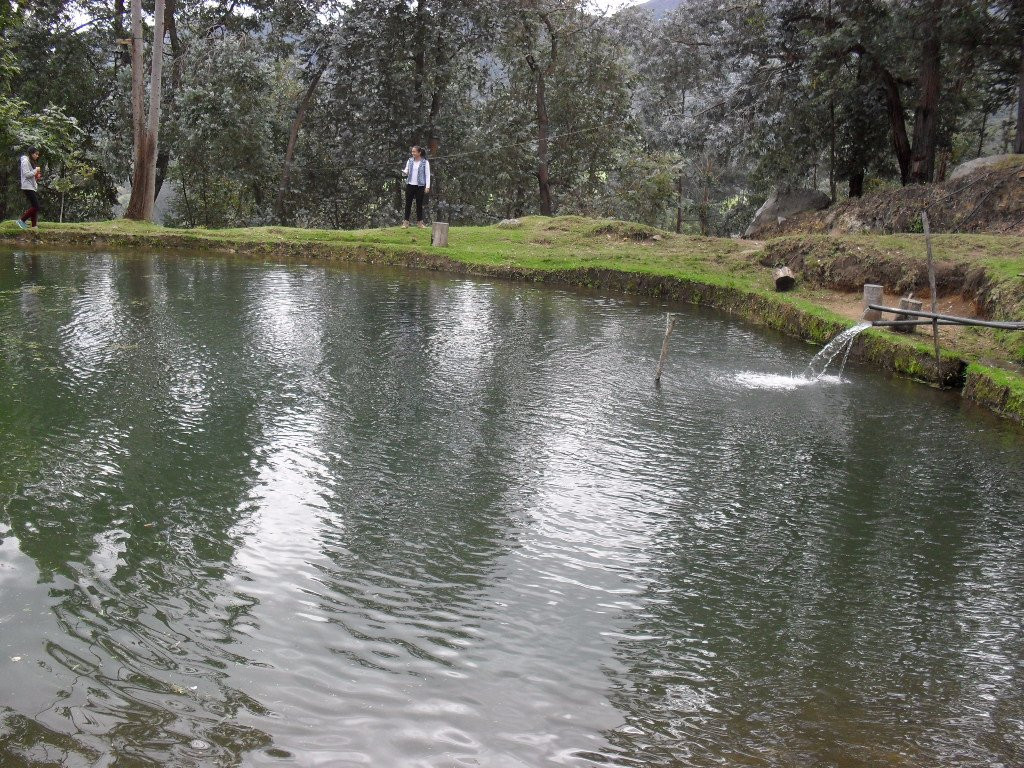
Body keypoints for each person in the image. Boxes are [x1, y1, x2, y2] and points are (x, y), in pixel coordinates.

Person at [400, 145, 430, 228]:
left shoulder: (425, 162)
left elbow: (427, 175)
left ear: (419, 152)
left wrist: (427, 186)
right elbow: (406, 170)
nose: (412, 153)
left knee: (419, 204)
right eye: (412, 151)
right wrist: (404, 172)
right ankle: (406, 222)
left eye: (414, 151)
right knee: (408, 204)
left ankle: (420, 223)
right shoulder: (410, 161)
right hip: (410, 185)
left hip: (420, 186)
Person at [17, 147, 42, 229]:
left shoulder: (30, 161)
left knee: (34, 206)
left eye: (38, 154)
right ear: (31, 154)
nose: (37, 156)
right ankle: (21, 220)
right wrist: (35, 170)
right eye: (36, 154)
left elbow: (30, 175)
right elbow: (26, 175)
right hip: (27, 187)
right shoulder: (25, 161)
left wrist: (36, 175)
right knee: (36, 206)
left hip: (31, 186)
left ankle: (34, 226)